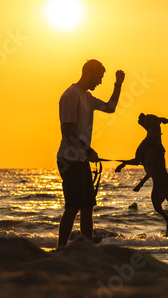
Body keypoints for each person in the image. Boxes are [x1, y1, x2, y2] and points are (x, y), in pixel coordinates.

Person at [56, 59, 125, 248]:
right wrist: (87, 149)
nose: (100, 82)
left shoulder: (87, 97)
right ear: (89, 74)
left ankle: (87, 251)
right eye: (99, 77)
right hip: (69, 159)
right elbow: (67, 131)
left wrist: (118, 85)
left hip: (82, 158)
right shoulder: (70, 95)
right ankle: (60, 249)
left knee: (87, 207)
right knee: (72, 207)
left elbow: (110, 108)